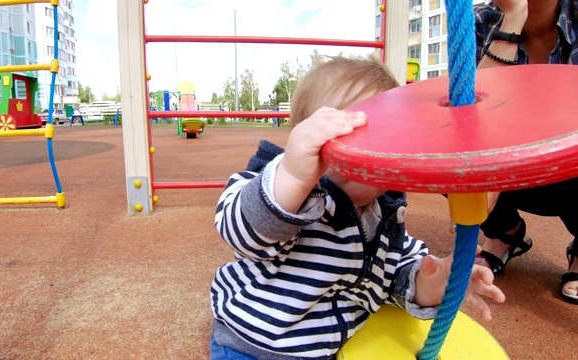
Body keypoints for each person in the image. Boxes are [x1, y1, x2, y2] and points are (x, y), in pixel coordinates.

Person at [209, 57, 505, 360]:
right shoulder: (281, 193)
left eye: (385, 139)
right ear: (304, 140)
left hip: (331, 348)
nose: (368, 154)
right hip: (253, 344)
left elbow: (396, 275)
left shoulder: (385, 215)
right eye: (347, 135)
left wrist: (430, 282)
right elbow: (243, 231)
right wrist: (294, 176)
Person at [473, 0, 578, 304]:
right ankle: (506, 230)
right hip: (512, 163)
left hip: (570, 163)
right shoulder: (480, 20)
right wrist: (513, 17)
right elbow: (469, 109)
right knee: (450, 151)